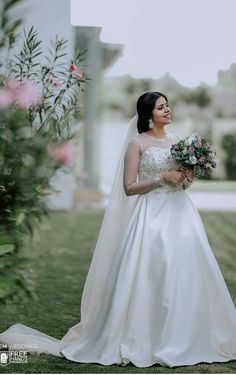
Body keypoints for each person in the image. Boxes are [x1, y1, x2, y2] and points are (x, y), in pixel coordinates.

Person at [0, 91, 236, 369]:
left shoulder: (178, 143)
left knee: (186, 272)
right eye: (161, 107)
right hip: (150, 216)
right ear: (149, 114)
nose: (168, 110)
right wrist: (162, 177)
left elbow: (182, 185)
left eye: (168, 105)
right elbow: (129, 187)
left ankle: (185, 334)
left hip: (180, 215)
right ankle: (144, 335)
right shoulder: (137, 144)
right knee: (149, 271)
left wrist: (187, 177)